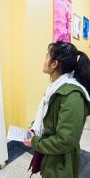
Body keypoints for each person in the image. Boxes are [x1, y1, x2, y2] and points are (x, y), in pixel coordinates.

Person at [24, 41, 90, 178]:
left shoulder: (72, 96)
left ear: (54, 64)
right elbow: (48, 116)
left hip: (61, 162)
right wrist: (35, 129)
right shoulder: (55, 87)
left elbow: (65, 141)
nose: (44, 59)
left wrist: (35, 142)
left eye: (47, 56)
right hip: (50, 153)